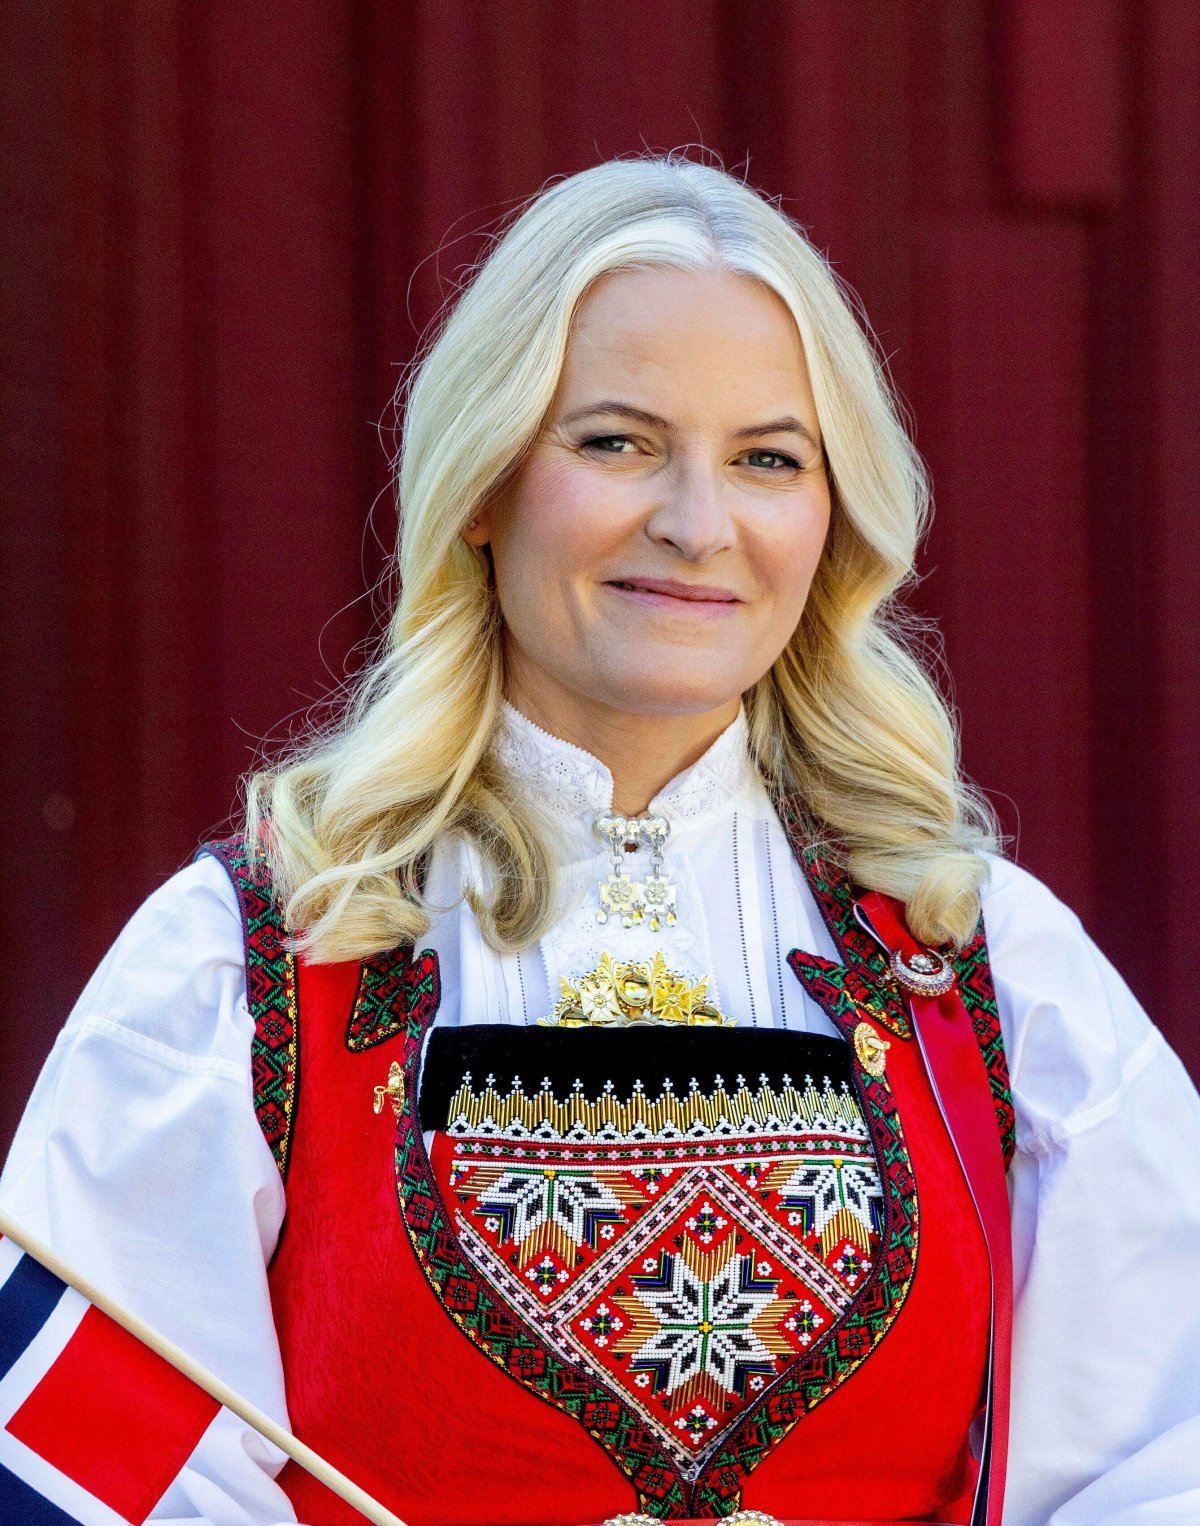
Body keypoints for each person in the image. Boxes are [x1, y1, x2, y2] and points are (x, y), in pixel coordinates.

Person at [3, 153, 1199, 1526]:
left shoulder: (984, 965)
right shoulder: (253, 956)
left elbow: (1160, 1456)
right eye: (618, 441)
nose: (698, 526)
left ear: (831, 515)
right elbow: (102, 1468)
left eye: (767, 458)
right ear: (485, 480)